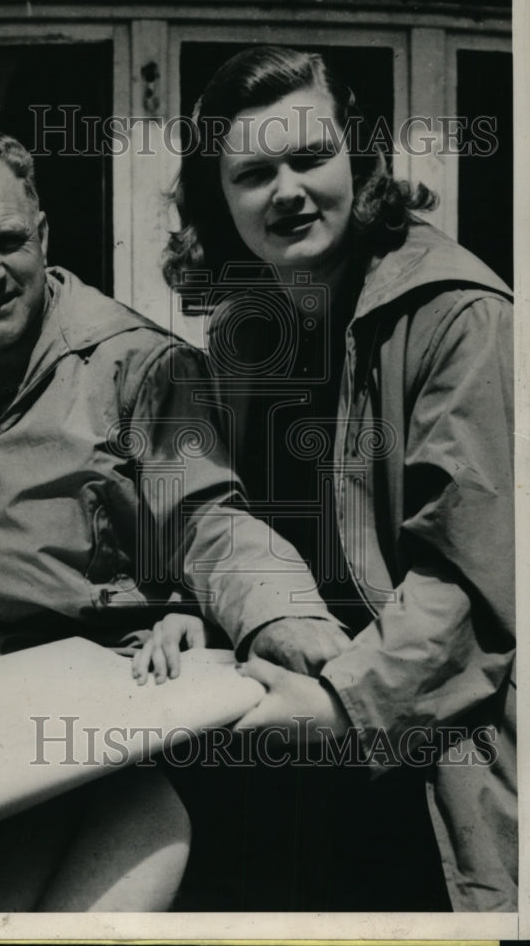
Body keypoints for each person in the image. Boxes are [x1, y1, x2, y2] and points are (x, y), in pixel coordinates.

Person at [0, 129, 351, 911]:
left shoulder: (139, 367)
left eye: (8, 241)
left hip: (132, 715)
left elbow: (207, 521)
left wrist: (285, 614)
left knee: (144, 835)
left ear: (41, 235)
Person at [138, 46, 516, 912]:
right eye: (253, 172)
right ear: (217, 199)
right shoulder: (243, 329)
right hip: (278, 724)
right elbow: (214, 508)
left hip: (421, 743)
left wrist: (339, 708)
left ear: (360, 160)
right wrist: (186, 608)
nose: (288, 191)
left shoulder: (460, 314)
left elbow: (470, 574)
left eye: (310, 158)